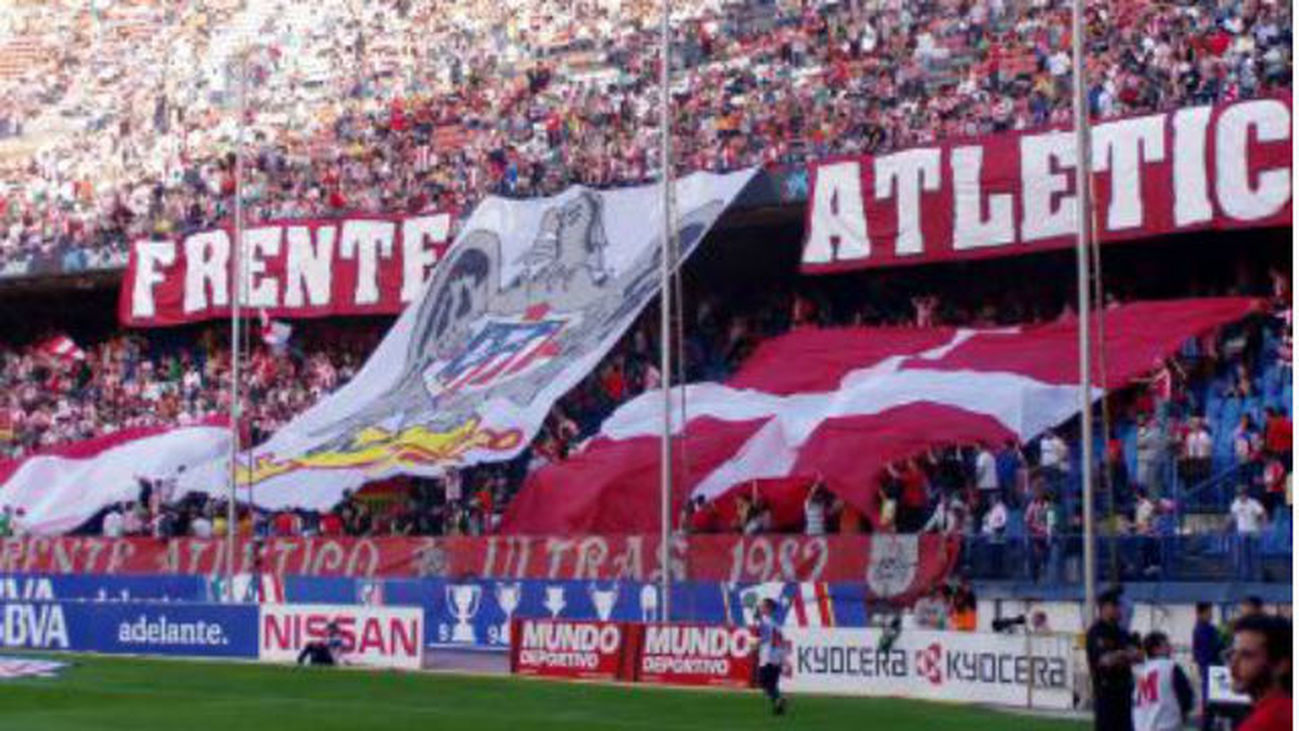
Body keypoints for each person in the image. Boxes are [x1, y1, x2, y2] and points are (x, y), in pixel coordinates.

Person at [1087, 589, 1141, 731]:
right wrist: (1124, 654)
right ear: (1104, 608)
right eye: (1115, 606)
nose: (1119, 610)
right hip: (1107, 693)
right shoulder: (1097, 632)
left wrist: (1120, 655)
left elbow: (1139, 656)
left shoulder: (1121, 631)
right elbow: (1105, 660)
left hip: (1124, 691)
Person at [1229, 614, 1292, 731]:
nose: (1233, 665)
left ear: (1280, 665)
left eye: (1246, 655)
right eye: (1232, 653)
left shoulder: (1263, 723)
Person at [1132, 631, 1194, 731]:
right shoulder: (1170, 666)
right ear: (1156, 649)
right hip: (1165, 724)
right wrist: (1184, 713)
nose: (1170, 648)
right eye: (1166, 645)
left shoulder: (1142, 673)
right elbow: (1186, 695)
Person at [1192, 602, 1224, 731]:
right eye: (1209, 612)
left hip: (1211, 669)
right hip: (1210, 670)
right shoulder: (1203, 629)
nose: (1211, 615)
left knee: (1212, 702)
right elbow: (1209, 650)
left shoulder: (1207, 628)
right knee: (1210, 703)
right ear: (1200, 613)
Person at [753, 598, 788, 716]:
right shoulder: (776, 624)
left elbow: (763, 634)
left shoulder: (765, 621)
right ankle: (779, 707)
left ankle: (779, 699)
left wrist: (754, 643)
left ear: (768, 609)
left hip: (767, 656)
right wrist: (783, 659)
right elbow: (780, 641)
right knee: (772, 685)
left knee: (763, 682)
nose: (761, 608)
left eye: (763, 606)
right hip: (776, 657)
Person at [1230, 486, 1266, 581]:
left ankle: (1257, 575)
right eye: (1239, 494)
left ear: (1246, 494)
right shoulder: (1235, 504)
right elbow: (1233, 517)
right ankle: (1245, 576)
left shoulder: (1253, 503)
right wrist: (1227, 528)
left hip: (1253, 532)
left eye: (1243, 494)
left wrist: (1262, 526)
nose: (1242, 496)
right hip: (1241, 532)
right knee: (1242, 556)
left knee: (1254, 555)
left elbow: (1262, 514)